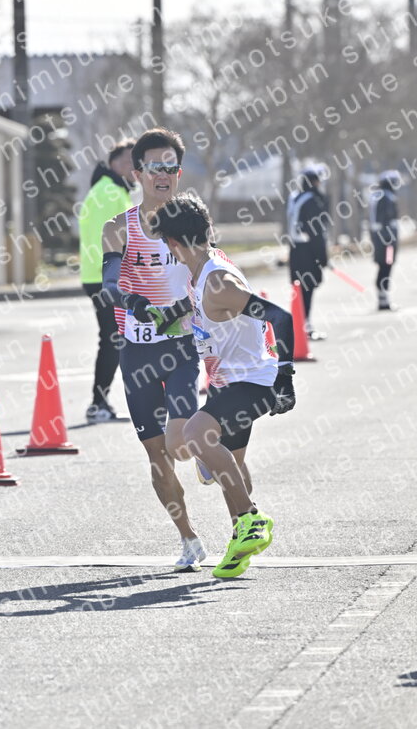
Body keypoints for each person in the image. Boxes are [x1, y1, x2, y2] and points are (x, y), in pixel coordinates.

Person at [152, 193, 296, 579]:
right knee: (231, 468)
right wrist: (170, 315)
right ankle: (240, 543)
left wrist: (285, 377)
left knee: (196, 434)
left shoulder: (217, 280)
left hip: (253, 381)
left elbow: (281, 318)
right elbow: (200, 306)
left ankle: (252, 519)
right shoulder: (201, 270)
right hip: (226, 382)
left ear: (173, 244)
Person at [101, 127, 204, 571]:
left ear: (178, 173)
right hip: (137, 355)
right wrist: (136, 304)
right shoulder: (118, 227)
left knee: (180, 446)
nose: (163, 175)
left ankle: (204, 446)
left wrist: (184, 311)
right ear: (137, 173)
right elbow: (108, 285)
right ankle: (188, 539)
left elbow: (208, 276)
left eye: (171, 168)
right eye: (154, 167)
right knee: (157, 455)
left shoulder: (194, 223)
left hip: (180, 347)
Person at [79, 140, 136, 423]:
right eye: (127, 161)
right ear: (113, 163)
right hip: (107, 276)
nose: (132, 167)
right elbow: (116, 239)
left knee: (115, 338)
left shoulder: (105, 189)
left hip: (98, 274)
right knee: (115, 339)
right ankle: (99, 403)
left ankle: (101, 401)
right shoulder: (111, 192)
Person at [286, 167, 329, 340]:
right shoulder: (311, 200)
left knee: (299, 289)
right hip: (308, 251)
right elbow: (315, 232)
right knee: (307, 289)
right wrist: (323, 257)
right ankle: (305, 327)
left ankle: (300, 326)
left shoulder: (295, 197)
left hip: (295, 249)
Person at [369, 170, 400, 311]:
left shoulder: (378, 196)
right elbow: (385, 220)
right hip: (388, 243)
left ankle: (383, 299)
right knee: (386, 267)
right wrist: (389, 241)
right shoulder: (386, 197)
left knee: (384, 267)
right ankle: (384, 301)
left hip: (381, 241)